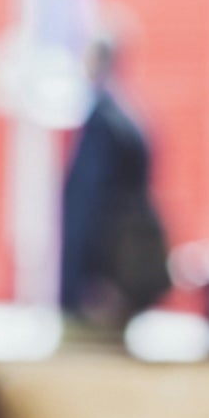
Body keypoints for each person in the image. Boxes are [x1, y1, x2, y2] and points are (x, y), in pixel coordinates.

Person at [60, 29, 169, 334]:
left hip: (106, 275)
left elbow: (92, 203)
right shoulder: (130, 113)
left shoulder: (105, 121)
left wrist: (90, 276)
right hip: (122, 267)